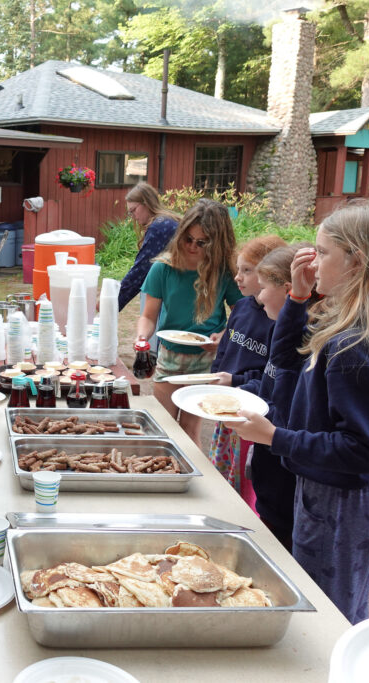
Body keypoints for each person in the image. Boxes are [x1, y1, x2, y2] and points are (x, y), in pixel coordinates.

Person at [234, 202, 369, 624]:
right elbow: (285, 359)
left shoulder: (352, 346)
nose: (311, 260)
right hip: (337, 489)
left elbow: (364, 449)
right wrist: (298, 297)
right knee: (334, 597)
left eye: (323, 252)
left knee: (327, 612)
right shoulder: (351, 321)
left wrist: (274, 437)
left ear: (356, 261)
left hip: (340, 498)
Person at [135, 198, 243, 446]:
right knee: (162, 428)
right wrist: (141, 337)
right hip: (170, 355)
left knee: (189, 430)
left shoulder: (223, 271)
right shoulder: (163, 268)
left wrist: (224, 336)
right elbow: (148, 316)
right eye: (188, 239)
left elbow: (241, 314)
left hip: (206, 358)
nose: (193, 246)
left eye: (202, 242)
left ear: (217, 243)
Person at [232, 244, 305, 551]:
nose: (259, 298)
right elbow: (269, 385)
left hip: (286, 480)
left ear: (289, 290)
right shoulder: (281, 331)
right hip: (269, 477)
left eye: (263, 289)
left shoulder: (303, 342)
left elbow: (290, 410)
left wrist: (268, 427)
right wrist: (237, 394)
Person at [206, 235, 286, 507]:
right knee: (222, 470)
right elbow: (225, 351)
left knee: (246, 476)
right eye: (237, 269)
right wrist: (215, 378)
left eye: (247, 270)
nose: (238, 277)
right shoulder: (240, 308)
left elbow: (270, 375)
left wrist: (236, 381)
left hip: (253, 414)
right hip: (228, 405)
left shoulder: (277, 320)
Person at [118, 181, 180, 312]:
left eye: (134, 210)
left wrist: (113, 301)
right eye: (130, 213)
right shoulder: (166, 220)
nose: (133, 217)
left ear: (146, 203)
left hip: (172, 295)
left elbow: (141, 270)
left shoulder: (158, 227)